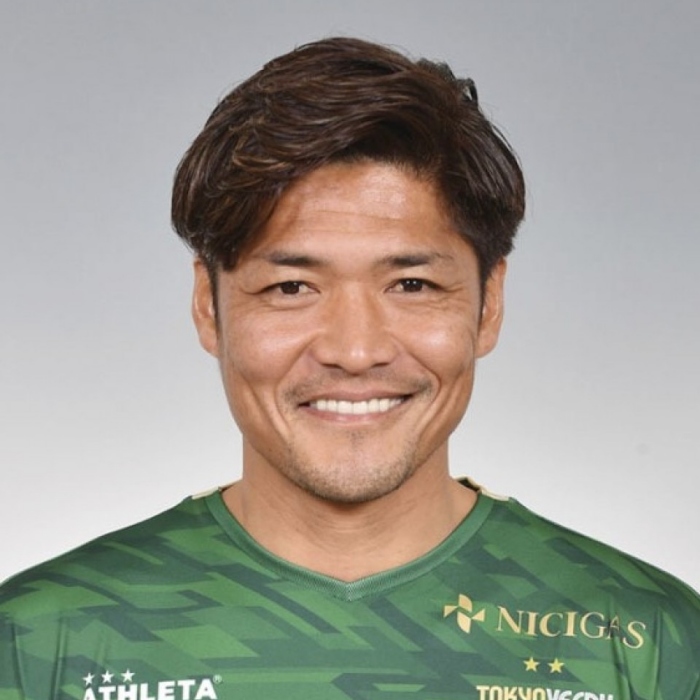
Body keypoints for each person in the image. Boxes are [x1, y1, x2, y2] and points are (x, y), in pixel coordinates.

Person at [1, 37, 697, 700]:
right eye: (292, 287)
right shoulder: (38, 641)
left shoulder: (650, 641)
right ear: (208, 308)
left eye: (412, 285)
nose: (356, 350)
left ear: (490, 305)